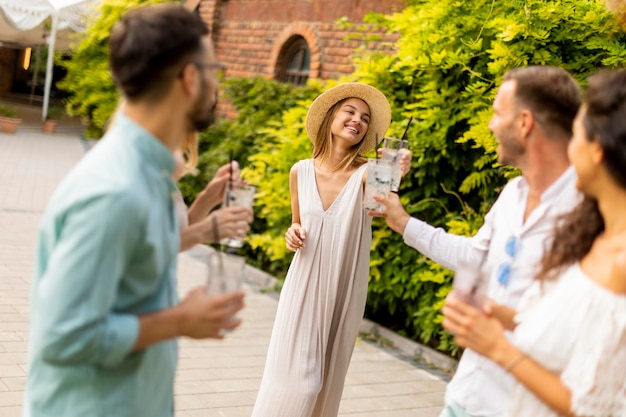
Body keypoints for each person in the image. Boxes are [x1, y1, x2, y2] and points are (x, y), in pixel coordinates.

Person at [23, 4, 250, 417]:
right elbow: (61, 338)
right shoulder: (114, 191)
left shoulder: (150, 175)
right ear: (189, 77)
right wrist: (180, 320)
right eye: (214, 68)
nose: (218, 83)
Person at [372, 65, 582, 417]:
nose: (490, 125)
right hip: (466, 393)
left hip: (522, 406)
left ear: (524, 122)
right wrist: (403, 222)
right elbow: (475, 256)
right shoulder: (513, 193)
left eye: (498, 113)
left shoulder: (587, 211)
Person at [442, 69, 626, 417]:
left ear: (598, 150)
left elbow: (596, 403)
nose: (570, 146)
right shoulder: (598, 239)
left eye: (578, 134)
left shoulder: (615, 259)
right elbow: (567, 331)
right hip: (470, 394)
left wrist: (498, 348)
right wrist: (498, 315)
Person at [251, 83, 410, 417]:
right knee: (297, 381)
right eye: (350, 111)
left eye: (365, 118)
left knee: (324, 381)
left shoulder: (368, 173)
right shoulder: (300, 171)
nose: (357, 120)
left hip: (342, 286)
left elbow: (382, 208)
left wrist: (396, 174)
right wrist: (291, 233)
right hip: (303, 286)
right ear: (331, 117)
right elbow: (297, 225)